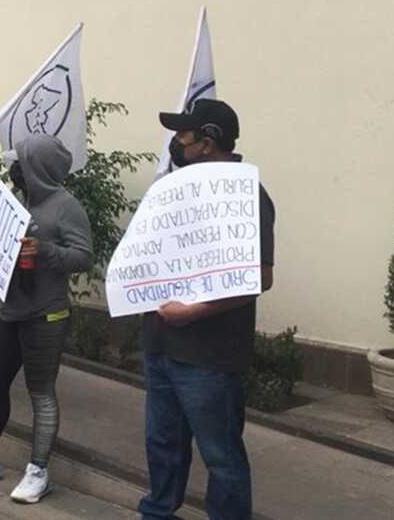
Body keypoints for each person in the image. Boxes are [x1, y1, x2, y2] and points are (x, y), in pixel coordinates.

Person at [139, 99, 275, 520]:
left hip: (209, 356)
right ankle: (158, 511)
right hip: (162, 344)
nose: (176, 144)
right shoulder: (172, 190)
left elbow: (259, 277)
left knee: (221, 455)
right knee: (162, 443)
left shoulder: (247, 196)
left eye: (183, 135)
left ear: (207, 142)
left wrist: (195, 311)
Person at [0, 134, 92, 504]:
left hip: (46, 314)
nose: (13, 170)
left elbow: (83, 257)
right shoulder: (17, 202)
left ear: (37, 168)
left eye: (21, 163)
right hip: (8, 311)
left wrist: (46, 251)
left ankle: (38, 471)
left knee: (41, 393)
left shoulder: (66, 206)